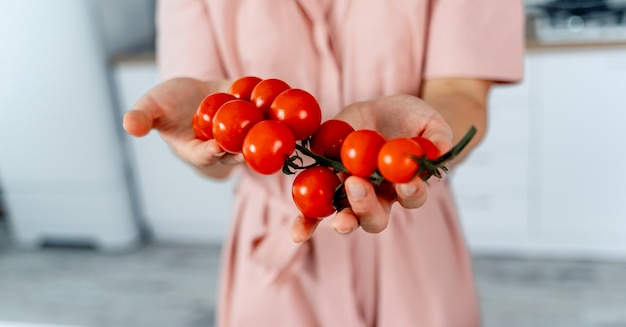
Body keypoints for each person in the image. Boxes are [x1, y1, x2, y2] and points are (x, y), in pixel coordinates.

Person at [123, 1, 524, 326]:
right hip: (274, 252)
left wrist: (416, 147)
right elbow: (213, 163)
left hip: (411, 230)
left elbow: (461, 93)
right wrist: (206, 137)